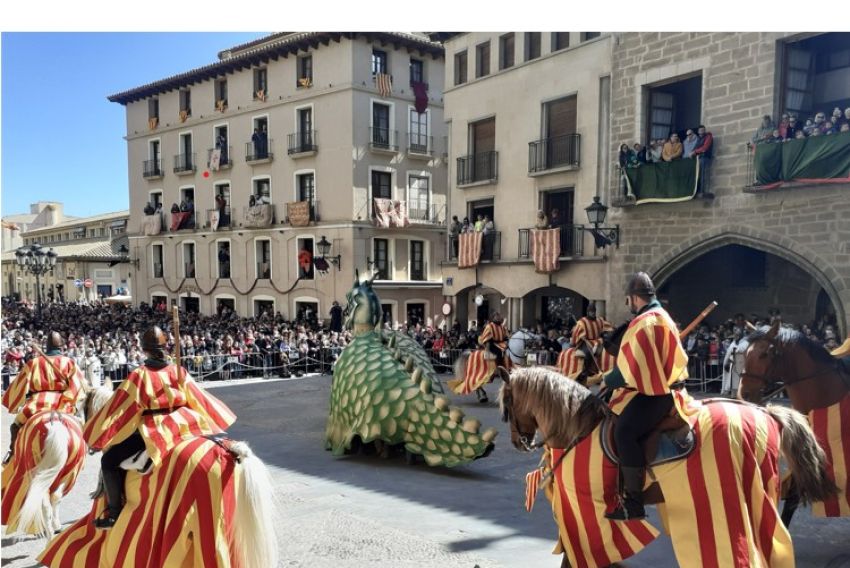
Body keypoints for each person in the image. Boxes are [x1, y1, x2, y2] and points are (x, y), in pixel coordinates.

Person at [85, 326, 236, 529]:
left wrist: (97, 435)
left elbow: (120, 409)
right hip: (186, 422)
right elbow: (198, 397)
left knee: (109, 461)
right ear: (166, 347)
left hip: (155, 427)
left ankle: (114, 514)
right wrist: (217, 415)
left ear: (144, 349)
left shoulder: (139, 376)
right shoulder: (178, 370)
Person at [602, 272, 688, 521]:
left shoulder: (644, 322)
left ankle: (633, 502)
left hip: (657, 392)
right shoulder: (662, 317)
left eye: (628, 300)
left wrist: (603, 379)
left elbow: (630, 369)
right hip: (662, 387)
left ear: (632, 298)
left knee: (624, 431)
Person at [2, 332, 84, 465]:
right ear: (61, 345)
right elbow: (78, 386)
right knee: (79, 424)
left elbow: (19, 385)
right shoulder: (69, 362)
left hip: (36, 403)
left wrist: (13, 401)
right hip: (62, 403)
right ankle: (81, 454)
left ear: (47, 345)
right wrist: (68, 399)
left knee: (16, 425)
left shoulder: (33, 363)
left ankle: (12, 454)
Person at [571, 302, 612, 377]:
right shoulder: (582, 322)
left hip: (597, 341)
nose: (593, 313)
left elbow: (608, 327)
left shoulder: (600, 320)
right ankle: (586, 370)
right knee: (588, 352)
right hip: (586, 341)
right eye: (591, 312)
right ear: (588, 312)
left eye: (594, 312)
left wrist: (608, 332)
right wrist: (581, 335)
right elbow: (576, 332)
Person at [476, 312, 508, 403]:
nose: (498, 317)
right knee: (498, 352)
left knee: (507, 351)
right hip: (492, 344)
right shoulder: (490, 326)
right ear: (493, 318)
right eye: (496, 316)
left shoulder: (502, 326)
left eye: (499, 316)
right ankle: (498, 368)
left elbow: (506, 336)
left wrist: (507, 341)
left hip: (501, 343)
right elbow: (486, 338)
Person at [693, 124, 714, 198]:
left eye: (703, 130)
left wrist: (695, 152)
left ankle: (703, 191)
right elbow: (695, 148)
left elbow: (705, 148)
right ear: (698, 131)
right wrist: (693, 152)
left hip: (705, 158)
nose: (702, 131)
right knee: (698, 175)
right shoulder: (699, 139)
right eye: (701, 130)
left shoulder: (708, 137)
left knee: (703, 175)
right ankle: (697, 190)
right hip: (699, 158)